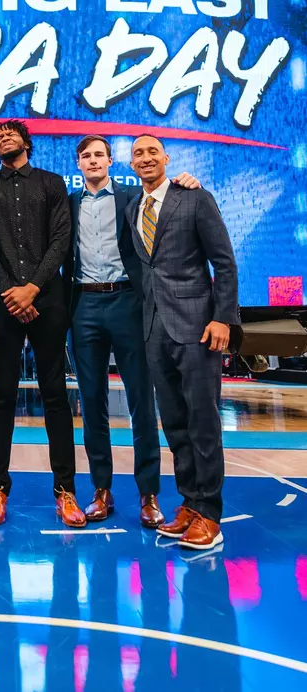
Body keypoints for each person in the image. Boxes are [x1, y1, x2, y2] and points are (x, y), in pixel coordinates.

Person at [70, 136, 200, 528]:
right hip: (84, 306)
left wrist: (187, 184)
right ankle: (101, 492)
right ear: (78, 165)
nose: (93, 161)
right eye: (86, 156)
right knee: (91, 405)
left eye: (99, 155)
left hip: (129, 302)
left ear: (111, 161)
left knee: (142, 403)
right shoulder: (68, 202)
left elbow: (166, 200)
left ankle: (148, 494)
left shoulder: (132, 196)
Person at [126, 134, 239, 551]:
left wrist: (223, 317)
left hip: (198, 328)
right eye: (138, 153)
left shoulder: (194, 197)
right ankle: (190, 504)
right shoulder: (132, 207)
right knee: (174, 423)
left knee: (203, 422)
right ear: (132, 163)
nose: (146, 158)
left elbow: (224, 262)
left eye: (153, 151)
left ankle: (210, 514)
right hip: (155, 330)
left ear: (167, 158)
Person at [0, 119, 86, 528]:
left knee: (55, 395)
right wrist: (11, 291)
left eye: (11, 133)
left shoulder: (52, 182)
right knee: (1, 396)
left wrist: (33, 288)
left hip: (48, 303)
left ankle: (65, 491)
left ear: (26, 142)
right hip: (3, 302)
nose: (5, 137)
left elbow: (61, 240)